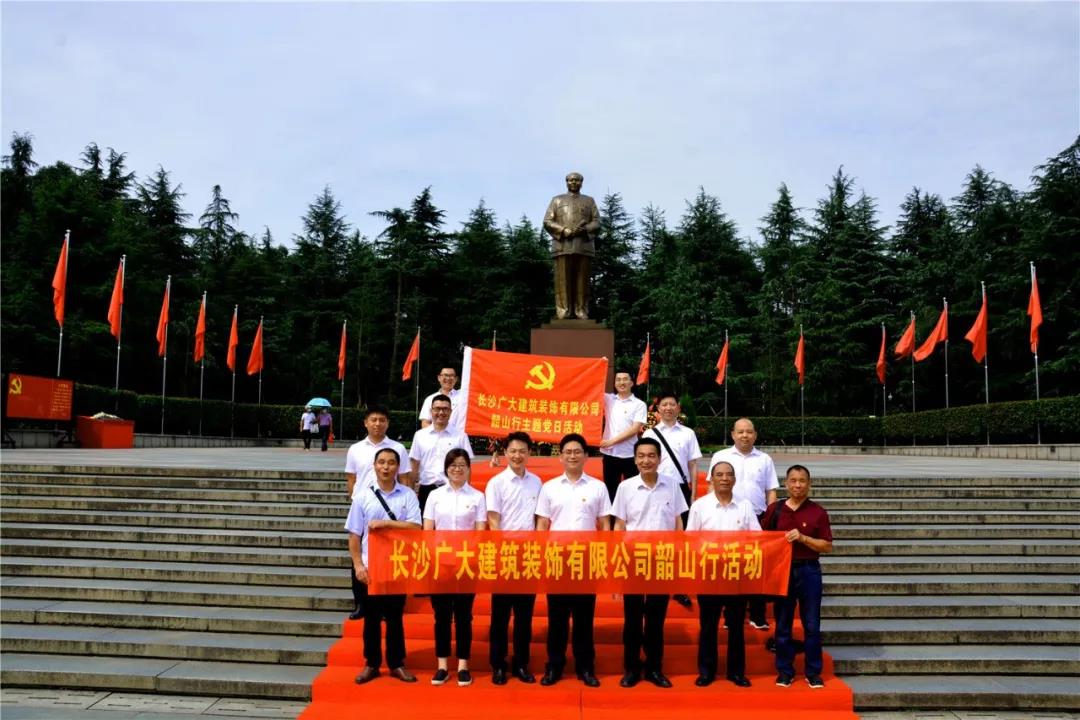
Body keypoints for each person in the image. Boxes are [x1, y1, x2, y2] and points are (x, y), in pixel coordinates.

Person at [535, 433, 611, 687]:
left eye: (577, 451)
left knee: (584, 618)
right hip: (557, 559)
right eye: (567, 452)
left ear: (586, 456)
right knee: (556, 618)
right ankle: (554, 667)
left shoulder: (598, 487)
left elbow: (604, 524)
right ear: (560, 456)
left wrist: (603, 556)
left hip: (586, 559)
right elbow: (542, 525)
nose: (572, 456)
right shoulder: (549, 488)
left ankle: (585, 667)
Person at [611, 437, 687, 689]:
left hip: (662, 559)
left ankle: (654, 667)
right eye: (641, 456)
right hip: (633, 560)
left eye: (651, 456)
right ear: (635, 460)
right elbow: (619, 526)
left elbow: (678, 522)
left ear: (659, 459)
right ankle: (631, 668)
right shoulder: (626, 487)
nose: (646, 460)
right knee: (632, 618)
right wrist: (618, 564)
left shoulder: (672, 485)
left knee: (656, 618)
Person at [346, 447, 422, 684]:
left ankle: (397, 663)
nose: (386, 467)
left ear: (398, 467)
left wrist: (386, 524)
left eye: (391, 463)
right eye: (381, 462)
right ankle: (371, 664)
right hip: (371, 567)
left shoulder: (407, 495)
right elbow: (354, 535)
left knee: (395, 618)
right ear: (374, 466)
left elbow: (416, 527)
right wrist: (358, 565)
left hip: (398, 565)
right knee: (371, 618)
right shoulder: (362, 497)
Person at [686, 460, 761, 688]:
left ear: (734, 479)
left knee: (736, 626)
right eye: (719, 474)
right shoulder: (700, 506)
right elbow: (690, 539)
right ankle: (706, 671)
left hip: (736, 574)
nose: (724, 479)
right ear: (712, 478)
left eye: (729, 474)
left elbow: (757, 537)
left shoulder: (745, 506)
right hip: (709, 574)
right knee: (708, 625)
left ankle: (736, 672)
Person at [761, 464, 833, 689]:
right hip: (782, 570)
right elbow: (761, 538)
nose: (798, 485)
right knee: (783, 623)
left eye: (802, 481)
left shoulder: (818, 512)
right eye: (793, 480)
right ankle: (785, 671)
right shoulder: (775, 510)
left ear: (809, 484)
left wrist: (803, 538)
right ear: (786, 483)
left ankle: (813, 672)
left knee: (811, 624)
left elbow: (827, 546)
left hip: (809, 570)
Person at [423, 448, 487, 687]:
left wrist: (469, 558)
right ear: (446, 469)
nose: (457, 469)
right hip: (440, 564)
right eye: (453, 465)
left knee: (463, 616)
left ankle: (463, 665)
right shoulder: (435, 496)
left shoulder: (477, 497)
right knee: (441, 616)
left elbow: (480, 532)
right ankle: (442, 665)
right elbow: (428, 530)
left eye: (462, 465)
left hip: (466, 565)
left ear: (468, 468)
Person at [709, 418, 779, 630]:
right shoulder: (721, 456)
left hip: (757, 519)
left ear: (755, 435)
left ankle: (758, 615)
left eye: (749, 432)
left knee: (756, 568)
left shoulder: (764, 459)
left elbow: (771, 490)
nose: (745, 435)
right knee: (729, 568)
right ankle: (730, 616)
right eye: (740, 432)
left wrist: (770, 518)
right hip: (728, 517)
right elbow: (712, 487)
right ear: (733, 434)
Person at [485, 431, 542, 685]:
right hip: (505, 554)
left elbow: (539, 518)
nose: (517, 455)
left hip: (528, 555)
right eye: (513, 451)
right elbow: (493, 520)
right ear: (505, 453)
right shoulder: (496, 483)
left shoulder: (537, 482)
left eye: (522, 451)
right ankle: (498, 664)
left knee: (524, 615)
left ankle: (521, 663)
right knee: (500, 615)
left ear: (529, 453)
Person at [344, 405, 410, 619]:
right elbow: (351, 479)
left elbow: (405, 478)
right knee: (359, 554)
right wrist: (355, 501)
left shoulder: (398, 448)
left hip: (392, 507)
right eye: (373, 419)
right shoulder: (355, 449)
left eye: (382, 420)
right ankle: (361, 603)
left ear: (388, 423)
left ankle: (389, 604)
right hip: (365, 507)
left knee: (390, 557)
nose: (377, 424)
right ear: (365, 423)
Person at [642, 391, 702, 609]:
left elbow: (693, 465)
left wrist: (693, 494)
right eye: (664, 405)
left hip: (680, 489)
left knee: (679, 538)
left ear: (678, 408)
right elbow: (643, 462)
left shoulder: (688, 434)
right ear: (657, 410)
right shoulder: (650, 434)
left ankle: (678, 586)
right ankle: (652, 581)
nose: (668, 408)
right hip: (655, 488)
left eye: (672, 404)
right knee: (655, 534)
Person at [543, 172, 600, 320]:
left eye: (577, 180)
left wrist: (585, 229)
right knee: (562, 280)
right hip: (562, 245)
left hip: (583, 246)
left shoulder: (589, 201)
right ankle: (564, 311)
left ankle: (581, 310)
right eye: (571, 180)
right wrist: (563, 230)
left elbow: (597, 222)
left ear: (581, 183)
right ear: (566, 182)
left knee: (582, 280)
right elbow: (547, 221)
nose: (574, 182)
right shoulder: (557, 200)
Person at [410, 394, 473, 513]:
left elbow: (467, 466)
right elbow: (414, 465)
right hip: (426, 490)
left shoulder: (460, 436)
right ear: (431, 411)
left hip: (453, 489)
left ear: (450, 412)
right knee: (426, 524)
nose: (441, 412)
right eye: (437, 409)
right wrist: (410, 492)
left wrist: (467, 492)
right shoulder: (420, 436)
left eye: (445, 409)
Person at [599, 371, 648, 502]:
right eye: (618, 379)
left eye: (625, 379)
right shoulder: (608, 399)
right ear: (614, 383)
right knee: (611, 490)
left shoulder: (639, 404)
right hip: (610, 455)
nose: (621, 382)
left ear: (631, 383)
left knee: (632, 491)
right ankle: (612, 515)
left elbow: (635, 429)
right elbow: (592, 387)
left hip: (630, 455)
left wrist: (611, 441)